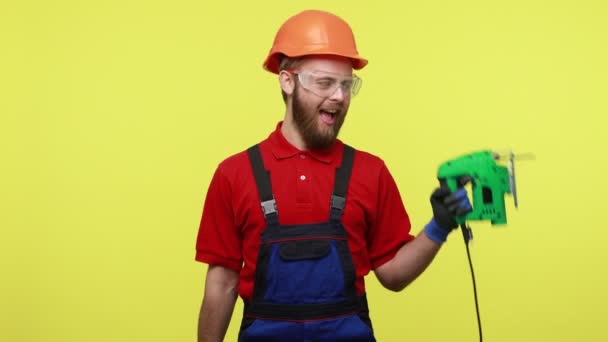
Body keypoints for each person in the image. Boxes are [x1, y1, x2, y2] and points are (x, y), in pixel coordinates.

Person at [194, 9, 472, 342]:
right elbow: (221, 285)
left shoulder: (371, 171)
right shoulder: (234, 174)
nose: (339, 96)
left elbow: (393, 275)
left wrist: (439, 225)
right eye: (325, 82)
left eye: (346, 84)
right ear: (287, 80)